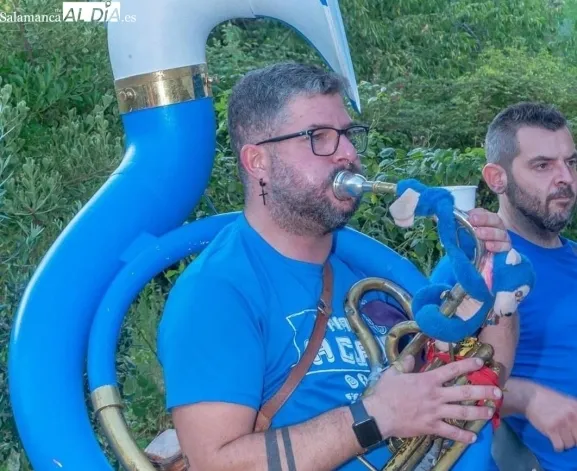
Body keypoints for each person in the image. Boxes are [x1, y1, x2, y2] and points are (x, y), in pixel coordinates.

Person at [157, 62, 510, 471]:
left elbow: (483, 380)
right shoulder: (216, 291)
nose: (349, 154)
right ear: (258, 162)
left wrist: (496, 277)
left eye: (347, 134)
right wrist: (375, 417)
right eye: (318, 137)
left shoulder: (371, 273)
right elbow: (216, 463)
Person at [433, 102, 577, 471]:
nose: (566, 178)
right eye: (543, 166)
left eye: (571, 162)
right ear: (497, 178)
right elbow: (433, 383)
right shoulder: (473, 268)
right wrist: (525, 397)